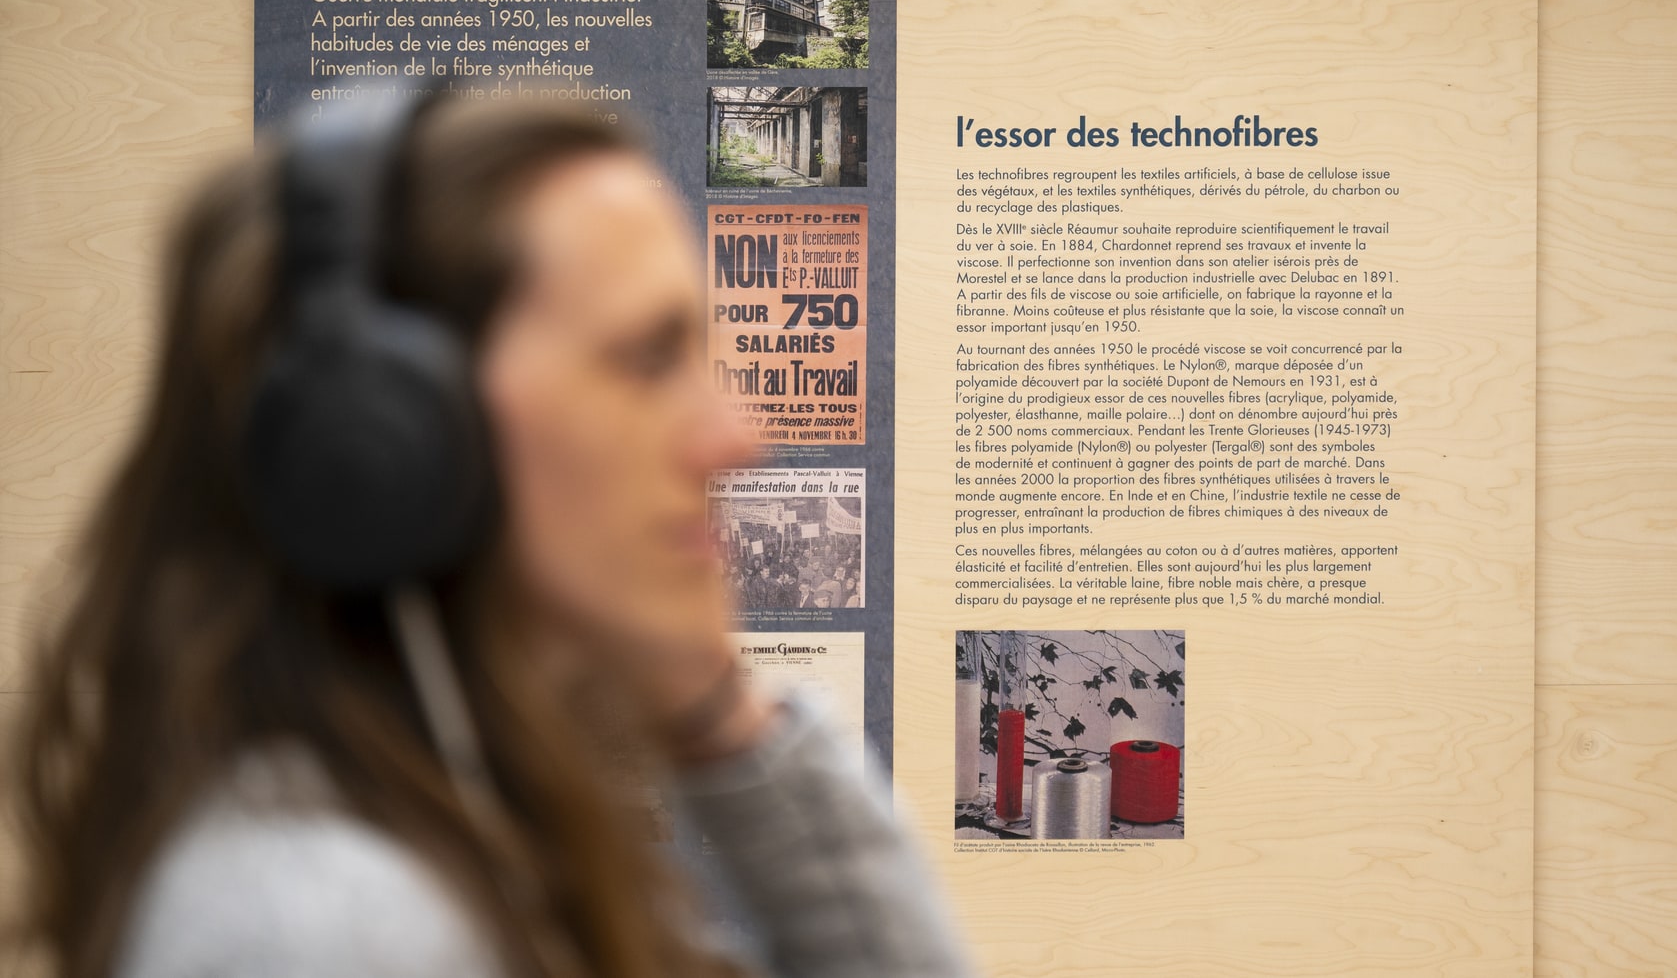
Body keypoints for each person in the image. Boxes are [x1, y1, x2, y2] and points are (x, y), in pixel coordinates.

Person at [8, 95, 971, 978]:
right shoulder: (329, 928)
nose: (739, 439)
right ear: (397, 444)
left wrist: (715, 711)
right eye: (649, 357)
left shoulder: (444, 836)